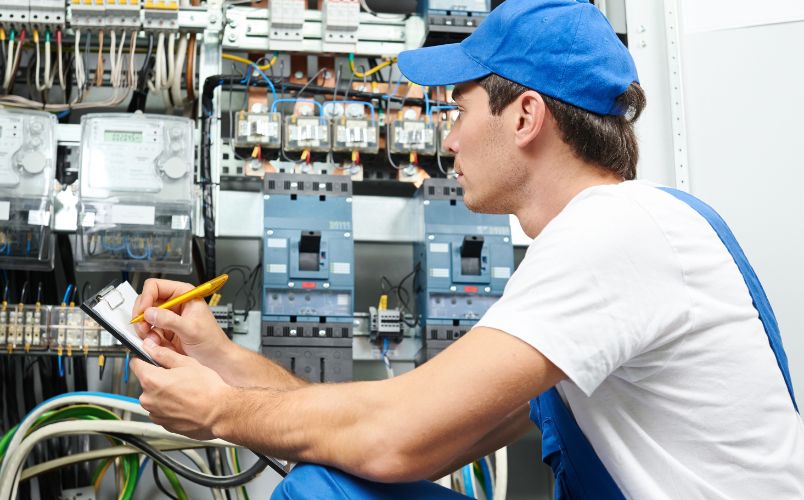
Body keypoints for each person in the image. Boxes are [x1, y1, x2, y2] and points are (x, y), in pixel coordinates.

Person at [130, 0, 804, 497]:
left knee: (322, 493)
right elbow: (402, 432)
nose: (447, 141)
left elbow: (391, 438)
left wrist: (219, 412)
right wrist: (222, 362)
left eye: (459, 109)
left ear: (525, 116)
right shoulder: (612, 241)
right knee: (334, 479)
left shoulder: (615, 233)